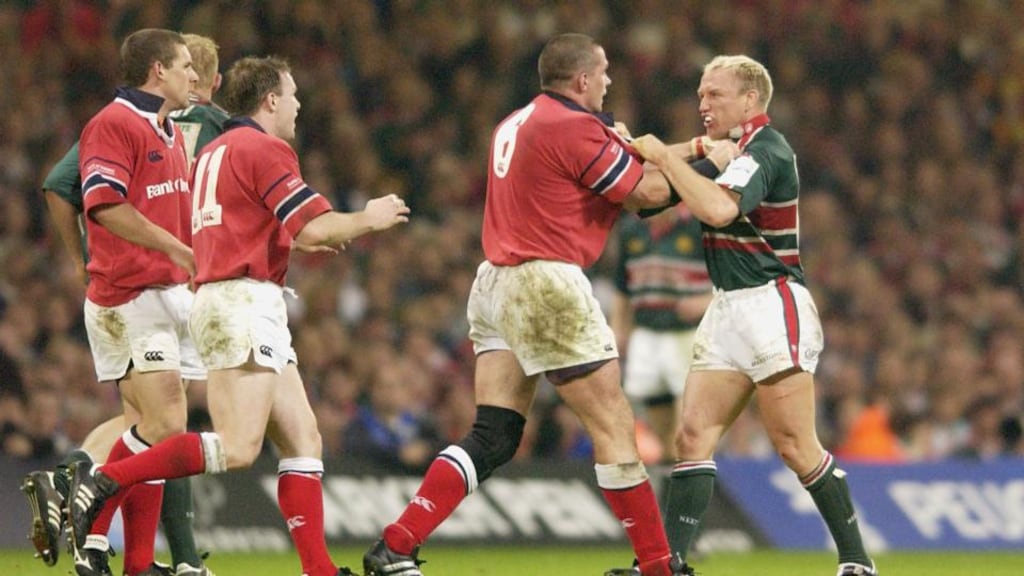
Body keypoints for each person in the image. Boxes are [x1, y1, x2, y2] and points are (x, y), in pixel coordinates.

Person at [359, 33, 729, 576]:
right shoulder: (574, 127)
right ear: (582, 80)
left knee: (495, 433)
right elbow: (644, 193)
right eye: (603, 72)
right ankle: (657, 566)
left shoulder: (520, 122)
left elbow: (620, 162)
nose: (609, 81)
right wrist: (708, 172)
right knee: (614, 426)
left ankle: (396, 544)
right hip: (546, 283)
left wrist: (694, 150)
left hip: (494, 283)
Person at [65, 55, 409, 576]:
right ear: (270, 100)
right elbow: (313, 227)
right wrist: (370, 218)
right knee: (240, 447)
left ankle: (318, 569)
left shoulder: (214, 150)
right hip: (240, 303)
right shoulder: (265, 148)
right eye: (292, 96)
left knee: (303, 438)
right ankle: (108, 480)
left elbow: (253, 224)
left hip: (241, 297)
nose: (297, 106)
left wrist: (296, 237)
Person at [629, 54, 879, 576]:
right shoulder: (727, 152)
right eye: (700, 94)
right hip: (727, 307)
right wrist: (684, 153)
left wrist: (672, 159)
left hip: (771, 302)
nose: (703, 103)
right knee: (692, 436)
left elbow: (720, 209)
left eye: (714, 94)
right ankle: (669, 564)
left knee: (794, 444)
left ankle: (857, 560)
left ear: (749, 99)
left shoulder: (767, 148)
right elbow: (646, 196)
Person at [23, 32, 228, 576]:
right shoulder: (112, 124)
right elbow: (103, 206)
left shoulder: (162, 126)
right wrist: (181, 251)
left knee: (150, 428)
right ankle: (87, 492)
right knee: (164, 429)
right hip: (132, 298)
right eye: (185, 66)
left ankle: (128, 560)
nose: (194, 75)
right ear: (157, 70)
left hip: (162, 297)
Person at [609, 204, 713, 462]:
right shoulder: (630, 229)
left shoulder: (698, 226)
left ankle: (691, 472)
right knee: (660, 429)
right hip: (646, 334)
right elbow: (623, 285)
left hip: (687, 335)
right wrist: (617, 328)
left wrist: (705, 301)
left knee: (687, 426)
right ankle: (671, 476)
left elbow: (729, 278)